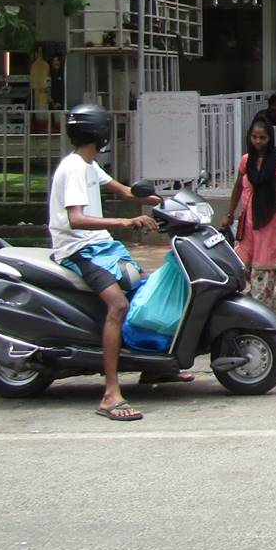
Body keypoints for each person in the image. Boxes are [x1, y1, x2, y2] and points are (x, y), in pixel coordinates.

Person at [48, 104, 164, 421]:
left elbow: (126, 192)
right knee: (118, 305)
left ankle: (152, 368)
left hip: (99, 245)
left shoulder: (89, 164)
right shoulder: (73, 169)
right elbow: (77, 219)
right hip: (79, 249)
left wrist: (167, 200)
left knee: (141, 287)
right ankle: (110, 393)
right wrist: (124, 224)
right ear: (100, 134)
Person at [221, 118, 276, 303]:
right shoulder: (246, 161)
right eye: (254, 137)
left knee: (265, 266)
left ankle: (261, 309)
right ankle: (253, 303)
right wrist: (229, 214)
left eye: (262, 137)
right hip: (249, 221)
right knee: (243, 264)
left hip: (272, 220)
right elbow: (238, 188)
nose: (258, 141)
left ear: (269, 138)